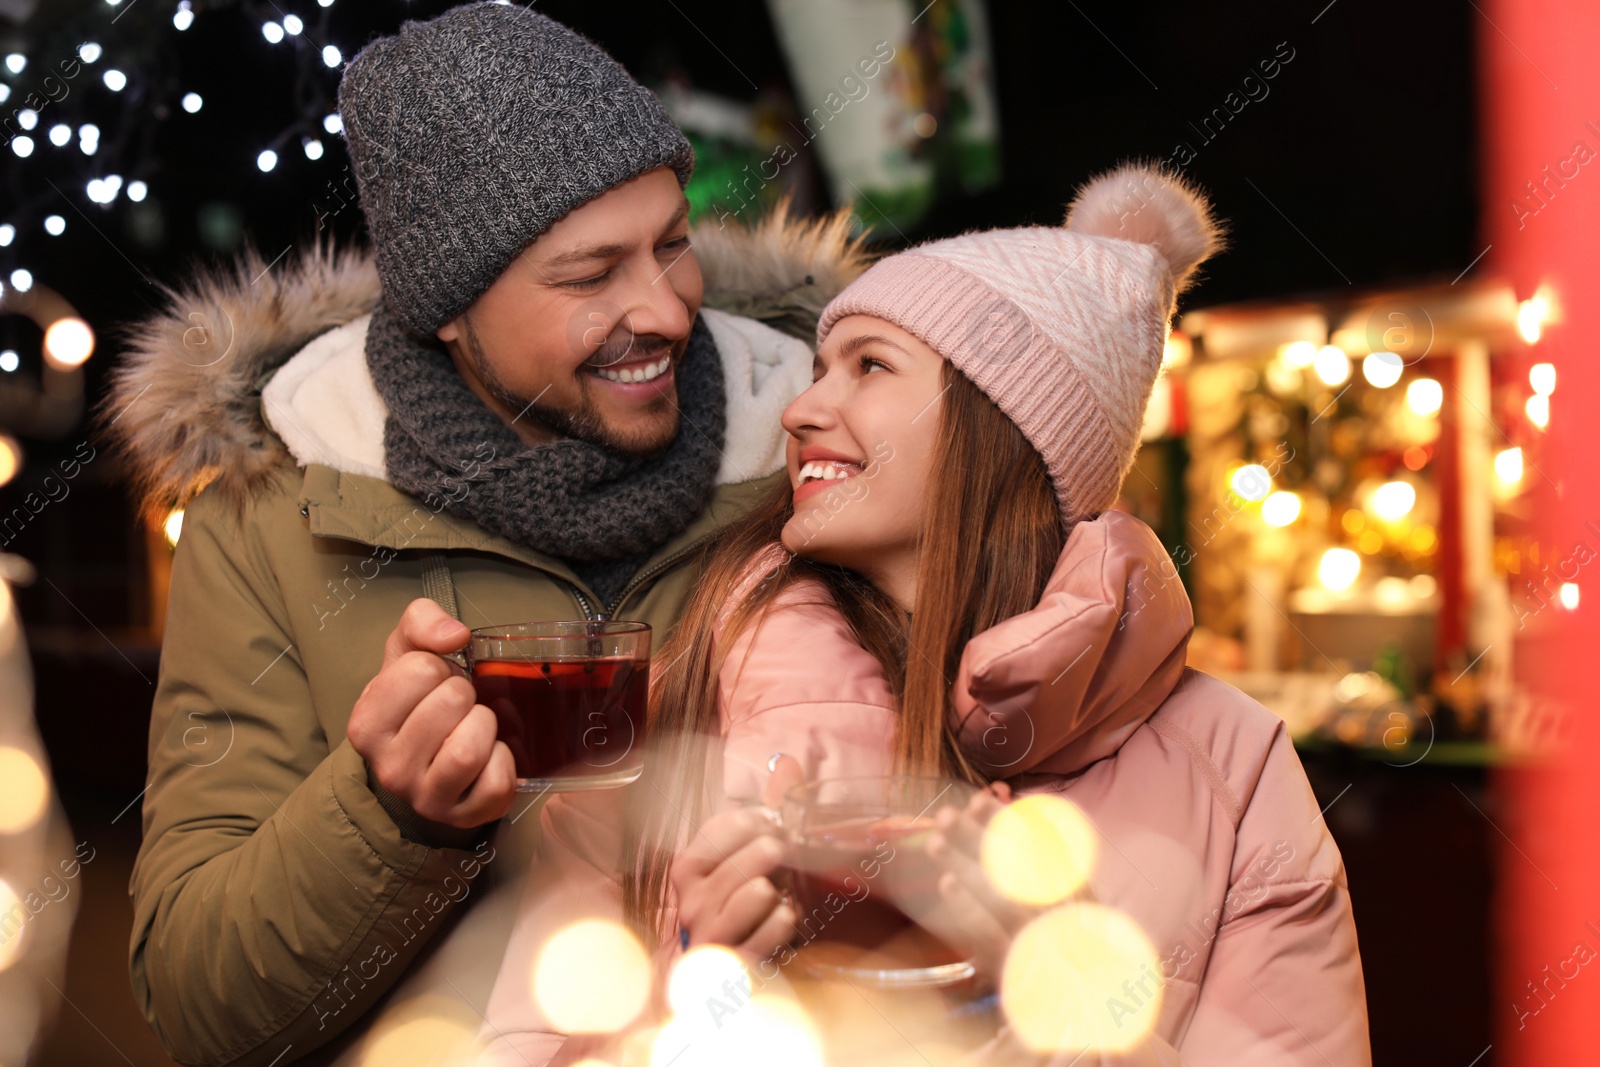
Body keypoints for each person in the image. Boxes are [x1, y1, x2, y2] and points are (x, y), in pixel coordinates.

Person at [102, 6, 869, 1064]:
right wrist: (391, 817)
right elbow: (200, 1003)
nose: (668, 309)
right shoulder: (272, 510)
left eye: (672, 244)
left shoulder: (826, 444)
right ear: (448, 311)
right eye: (590, 275)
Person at [477, 164, 1371, 1065]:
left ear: (1003, 430)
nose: (801, 408)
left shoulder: (1235, 770)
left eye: (869, 364)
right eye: (821, 367)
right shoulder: (678, 704)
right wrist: (699, 999)